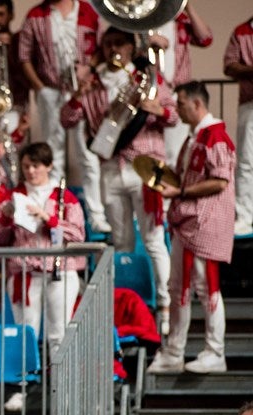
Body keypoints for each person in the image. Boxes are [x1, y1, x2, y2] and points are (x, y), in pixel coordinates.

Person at [60, 27, 178, 334]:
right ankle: (131, 306)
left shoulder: (146, 78)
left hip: (145, 168)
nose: (114, 49)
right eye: (109, 44)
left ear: (130, 47)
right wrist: (78, 94)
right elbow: (67, 120)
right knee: (122, 241)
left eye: (120, 44)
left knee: (153, 240)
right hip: (111, 169)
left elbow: (175, 115)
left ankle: (166, 308)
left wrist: (159, 109)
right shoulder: (95, 83)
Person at [0, 143, 85, 411]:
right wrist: (4, 218)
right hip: (23, 273)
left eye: (36, 166)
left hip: (59, 272)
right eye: (27, 166)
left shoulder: (65, 197)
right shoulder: (14, 195)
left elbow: (78, 235)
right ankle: (22, 388)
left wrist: (48, 218)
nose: (30, 171)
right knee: (24, 333)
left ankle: (62, 387)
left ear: (49, 166)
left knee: (58, 333)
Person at [146, 81, 235, 375]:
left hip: (204, 224)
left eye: (181, 103)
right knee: (177, 289)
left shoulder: (216, 136)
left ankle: (215, 351)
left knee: (206, 288)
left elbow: (220, 180)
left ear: (197, 104)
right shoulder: (195, 137)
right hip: (187, 224)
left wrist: (180, 193)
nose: (177, 110)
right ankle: (174, 351)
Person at [17, 0, 109, 234]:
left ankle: (96, 216)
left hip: (82, 89)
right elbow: (24, 56)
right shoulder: (35, 15)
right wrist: (40, 89)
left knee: (87, 154)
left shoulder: (88, 11)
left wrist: (88, 70)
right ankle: (53, 211)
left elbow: (102, 48)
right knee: (53, 154)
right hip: (51, 90)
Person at [148, 2, 213, 172]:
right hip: (150, 91)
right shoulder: (141, 21)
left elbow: (206, 39)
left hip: (178, 93)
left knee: (176, 153)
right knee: (151, 149)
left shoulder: (181, 20)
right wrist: (147, 41)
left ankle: (172, 195)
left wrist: (187, 6)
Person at [224, 16, 253, 235]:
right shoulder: (242, 30)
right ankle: (245, 216)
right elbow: (229, 65)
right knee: (245, 162)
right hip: (250, 102)